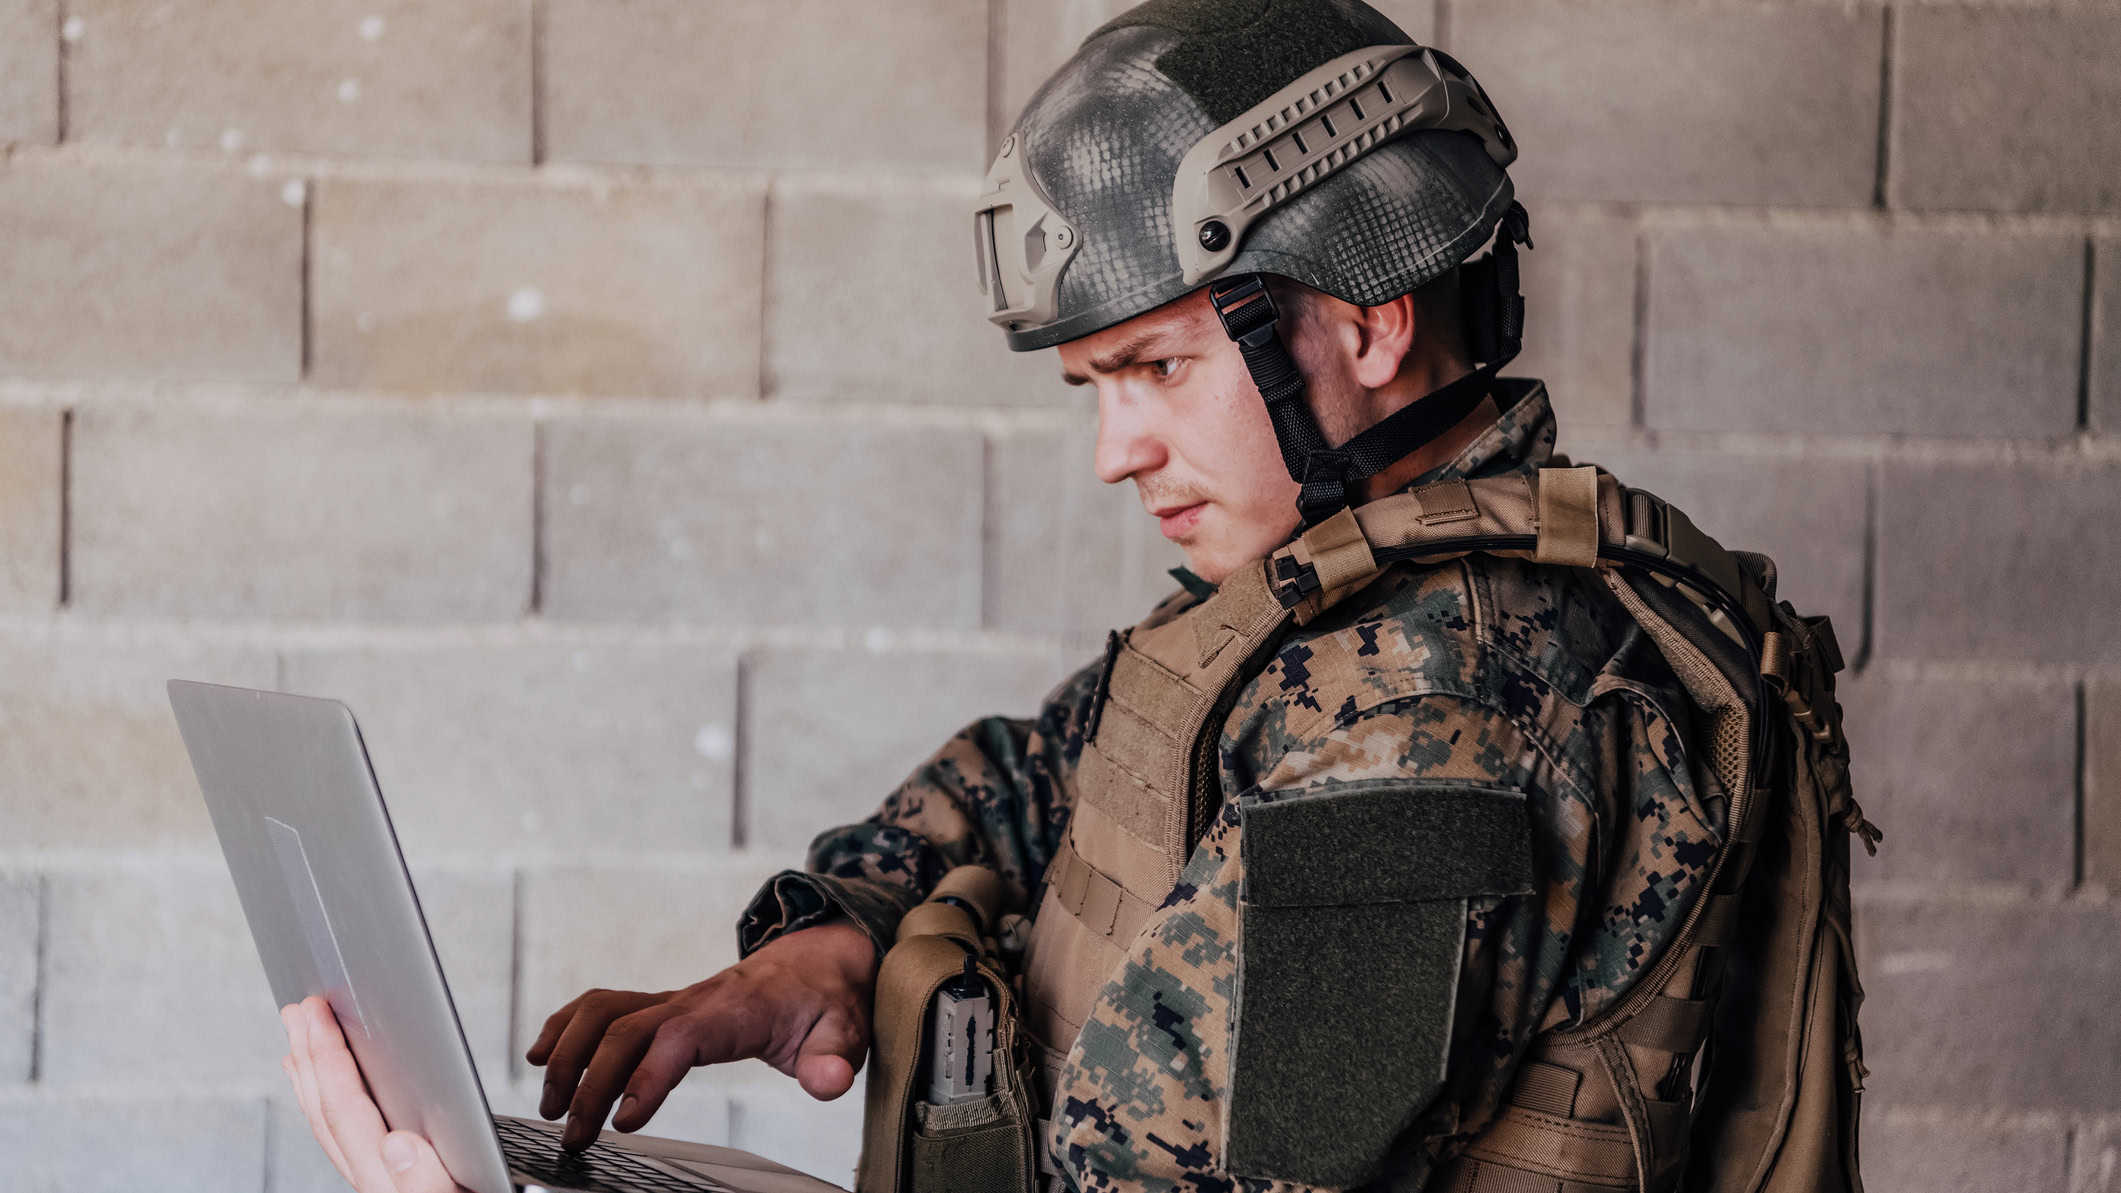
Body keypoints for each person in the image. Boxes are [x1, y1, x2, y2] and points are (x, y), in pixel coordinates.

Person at [281, 1, 1857, 1190]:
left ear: (1371, 322)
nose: (1117, 450)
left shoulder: (1450, 715)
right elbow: (1060, 767)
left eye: (1156, 369)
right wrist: (821, 944)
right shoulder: (1329, 611)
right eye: (1095, 385)